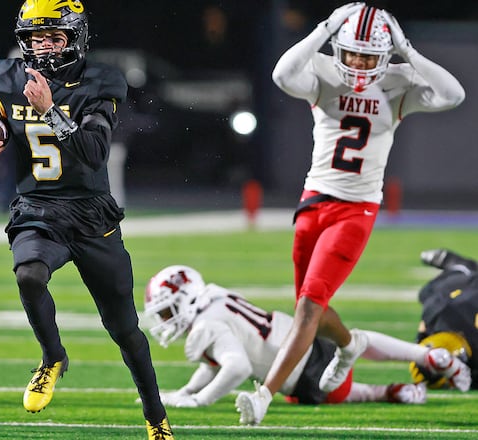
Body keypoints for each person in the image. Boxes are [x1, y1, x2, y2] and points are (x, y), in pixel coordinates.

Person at [0, 1, 173, 438]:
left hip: (91, 213)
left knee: (125, 330)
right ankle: (52, 356)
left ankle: (156, 417)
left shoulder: (99, 80)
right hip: (38, 208)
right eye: (37, 39)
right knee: (29, 274)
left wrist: (51, 109)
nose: (46, 47)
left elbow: (94, 151)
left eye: (55, 37)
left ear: (77, 38)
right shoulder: (8, 77)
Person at [235, 3, 465, 426]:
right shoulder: (323, 70)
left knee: (308, 307)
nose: (358, 64)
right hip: (312, 202)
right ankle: (351, 343)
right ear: (338, 48)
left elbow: (454, 94)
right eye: (352, 53)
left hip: (355, 210)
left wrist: (406, 50)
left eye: (368, 55)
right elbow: (282, 74)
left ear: (386, 54)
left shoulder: (397, 83)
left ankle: (265, 394)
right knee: (312, 310)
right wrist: (324, 28)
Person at [143, 265, 470, 410]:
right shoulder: (216, 300)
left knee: (333, 388)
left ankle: (391, 390)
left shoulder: (205, 326)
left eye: (167, 311)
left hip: (300, 370)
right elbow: (216, 362)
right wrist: (185, 391)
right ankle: (422, 358)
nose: (165, 320)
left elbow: (237, 367)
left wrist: (201, 400)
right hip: (302, 339)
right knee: (353, 344)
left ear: (185, 300)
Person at [411, 248, 478, 389]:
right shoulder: (434, 310)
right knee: (429, 292)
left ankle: (458, 265)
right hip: (452, 293)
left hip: (461, 286)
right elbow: (423, 327)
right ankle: (457, 265)